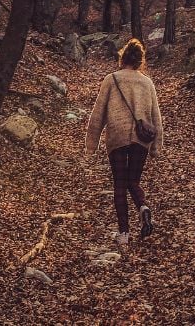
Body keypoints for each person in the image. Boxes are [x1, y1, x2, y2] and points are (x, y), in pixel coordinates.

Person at [84, 38, 164, 246]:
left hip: (117, 137)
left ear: (123, 57)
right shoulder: (147, 83)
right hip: (141, 139)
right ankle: (143, 207)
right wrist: (156, 146)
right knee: (133, 181)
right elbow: (156, 117)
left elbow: (98, 112)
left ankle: (124, 233)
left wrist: (91, 144)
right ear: (140, 61)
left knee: (120, 184)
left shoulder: (111, 79)